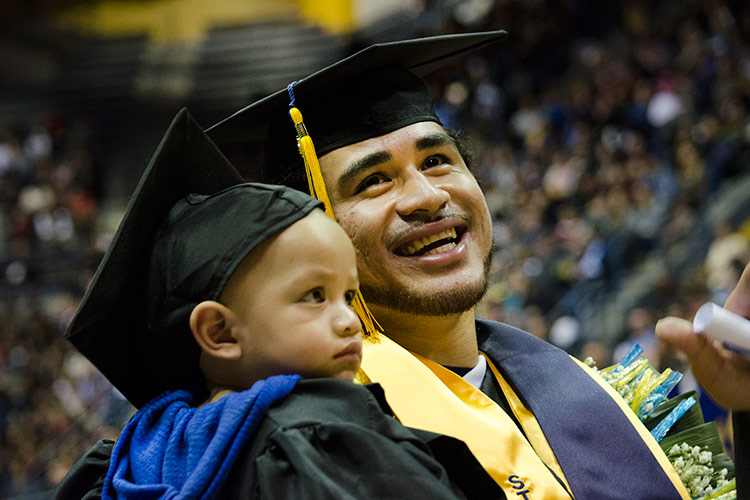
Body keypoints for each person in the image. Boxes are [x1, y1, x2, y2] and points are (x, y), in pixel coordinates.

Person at [63, 31, 749, 499]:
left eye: (437, 160)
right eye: (373, 181)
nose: (426, 196)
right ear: (311, 236)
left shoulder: (587, 395)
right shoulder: (297, 452)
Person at [54, 110, 500, 499]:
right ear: (219, 332)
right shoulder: (323, 437)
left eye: (349, 296)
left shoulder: (125, 467)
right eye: (313, 297)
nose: (348, 321)